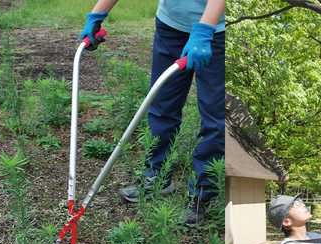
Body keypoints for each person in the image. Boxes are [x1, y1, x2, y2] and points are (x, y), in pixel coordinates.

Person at [80, 0, 225, 225]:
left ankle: (202, 195)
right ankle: (156, 177)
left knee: (215, 118)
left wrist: (205, 29)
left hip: (217, 32)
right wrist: (96, 15)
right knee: (161, 105)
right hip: (171, 25)